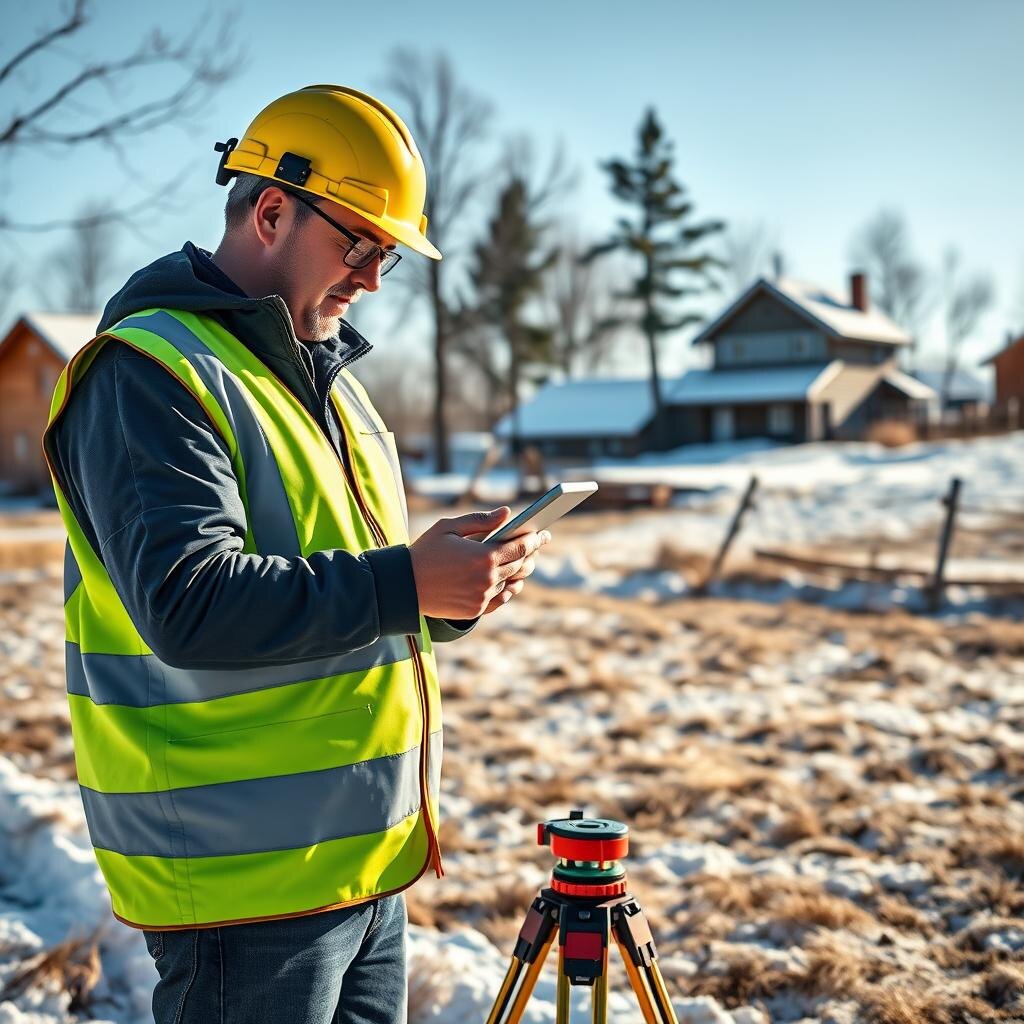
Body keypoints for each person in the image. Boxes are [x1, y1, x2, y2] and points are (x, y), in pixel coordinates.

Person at [42, 84, 550, 1024]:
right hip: (244, 891)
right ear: (271, 208)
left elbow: (340, 593)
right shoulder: (150, 371)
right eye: (360, 244)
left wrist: (445, 598)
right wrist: (403, 580)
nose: (373, 279)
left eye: (389, 255)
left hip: (361, 868)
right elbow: (190, 605)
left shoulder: (338, 390)